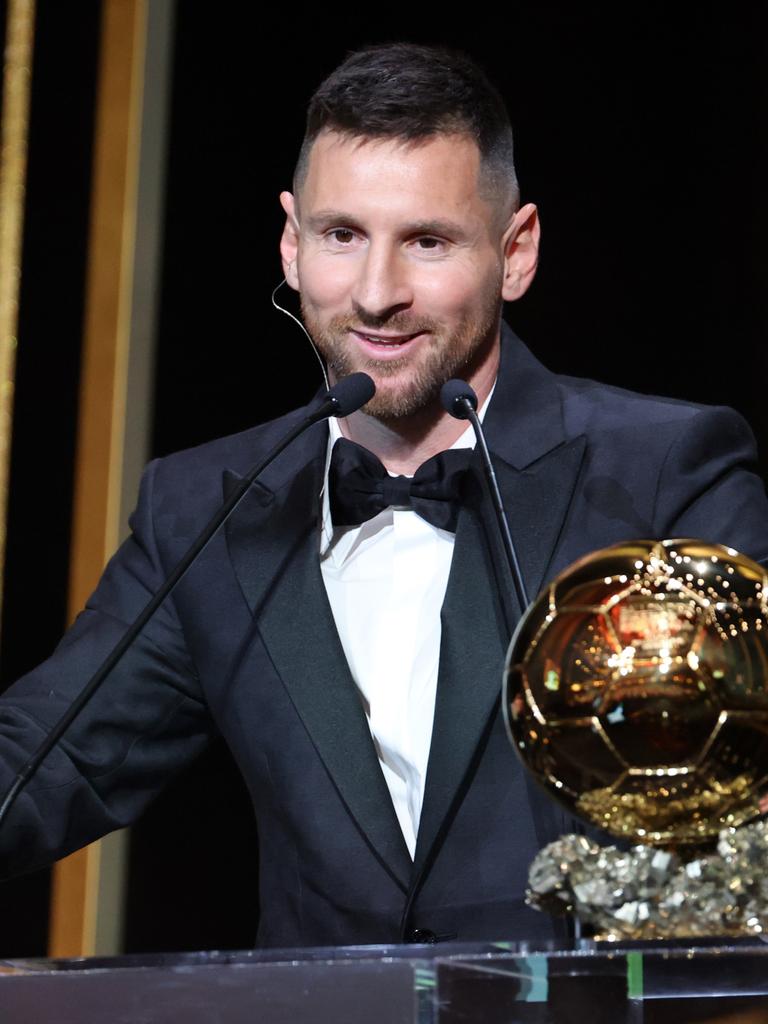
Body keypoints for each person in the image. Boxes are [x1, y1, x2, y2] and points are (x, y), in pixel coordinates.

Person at [1, 42, 767, 948]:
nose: (375, 294)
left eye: (427, 242)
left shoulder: (662, 472)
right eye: (341, 236)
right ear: (291, 242)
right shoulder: (207, 508)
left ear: (515, 253)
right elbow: (42, 765)